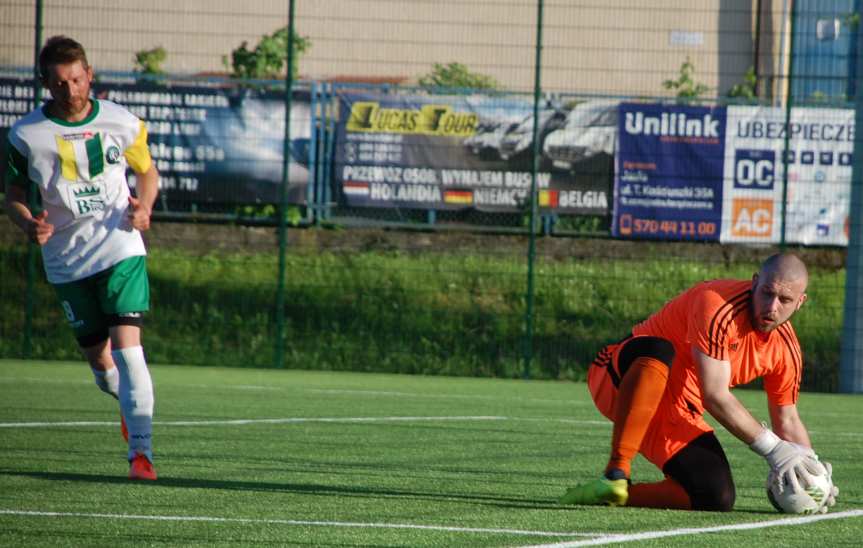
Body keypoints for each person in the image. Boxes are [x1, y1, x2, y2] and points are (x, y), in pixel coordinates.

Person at [560, 253, 839, 511]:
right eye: (767, 293)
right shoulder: (717, 303)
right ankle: (616, 472)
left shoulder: (786, 349)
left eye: (785, 300)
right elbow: (714, 395)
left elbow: (787, 418)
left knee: (715, 496)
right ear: (755, 283)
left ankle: (611, 496)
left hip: (677, 409)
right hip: (622, 380)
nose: (772, 306)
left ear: (800, 302)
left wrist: (811, 469)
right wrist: (775, 450)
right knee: (660, 350)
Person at [4, 36, 159, 480]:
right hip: (66, 258)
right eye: (59, 82)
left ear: (89, 75)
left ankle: (141, 455)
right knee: (102, 364)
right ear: (44, 83)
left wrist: (144, 207)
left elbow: (147, 173)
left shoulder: (122, 122)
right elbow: (12, 196)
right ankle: (129, 408)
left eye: (76, 79)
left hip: (119, 244)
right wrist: (26, 223)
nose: (70, 90)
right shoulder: (25, 135)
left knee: (130, 354)